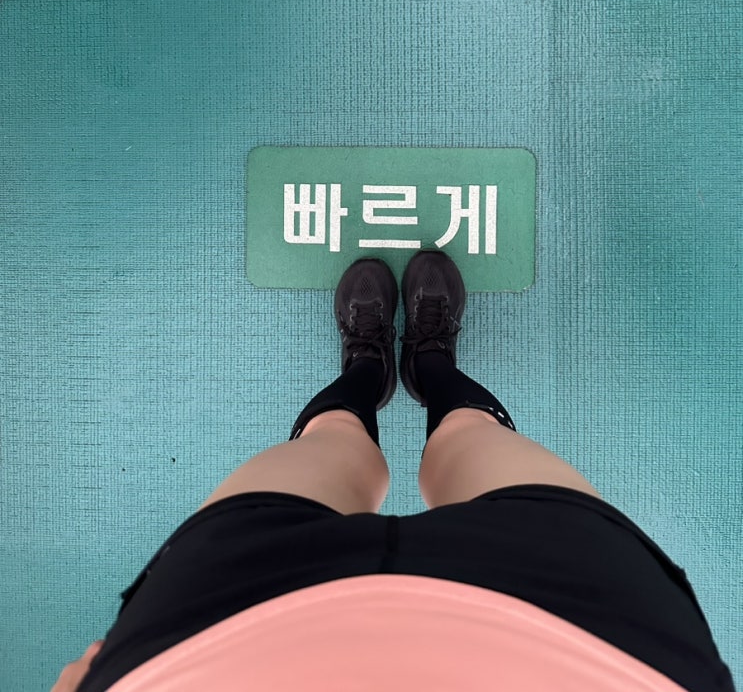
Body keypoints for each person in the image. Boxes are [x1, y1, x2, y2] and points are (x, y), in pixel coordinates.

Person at [69, 250, 734, 692]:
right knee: (468, 441)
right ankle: (430, 365)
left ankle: (367, 369)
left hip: (218, 636)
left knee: (337, 449)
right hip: (589, 641)